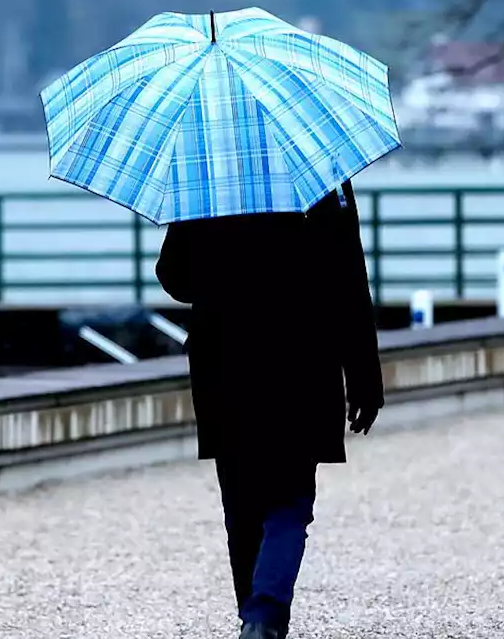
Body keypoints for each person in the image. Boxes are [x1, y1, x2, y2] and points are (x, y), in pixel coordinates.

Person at [155, 180, 384, 639]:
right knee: (289, 499)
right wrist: (364, 376)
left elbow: (174, 276)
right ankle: (264, 615)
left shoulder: (208, 171)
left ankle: (255, 618)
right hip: (303, 359)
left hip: (224, 362)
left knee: (240, 503)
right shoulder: (322, 173)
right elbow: (348, 279)